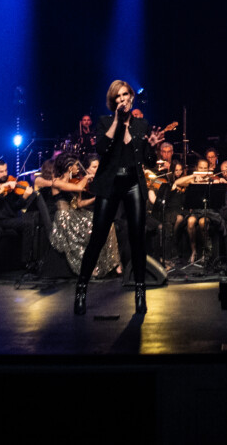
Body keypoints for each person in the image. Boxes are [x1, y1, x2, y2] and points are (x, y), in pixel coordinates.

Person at [73, 80, 166, 315]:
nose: (122, 98)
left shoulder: (142, 125)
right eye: (117, 96)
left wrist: (153, 147)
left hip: (133, 184)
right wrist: (117, 120)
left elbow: (149, 162)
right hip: (110, 184)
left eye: (125, 95)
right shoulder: (105, 121)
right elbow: (103, 148)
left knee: (137, 238)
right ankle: (81, 289)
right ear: (113, 101)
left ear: (131, 97)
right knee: (99, 237)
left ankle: (140, 292)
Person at [48, 156, 121, 278]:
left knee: (108, 224)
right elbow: (79, 188)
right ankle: (90, 267)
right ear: (70, 167)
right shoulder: (57, 182)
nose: (78, 168)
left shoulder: (75, 180)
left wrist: (96, 199)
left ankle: (113, 263)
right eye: (76, 165)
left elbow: (79, 204)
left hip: (75, 214)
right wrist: (86, 178)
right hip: (65, 218)